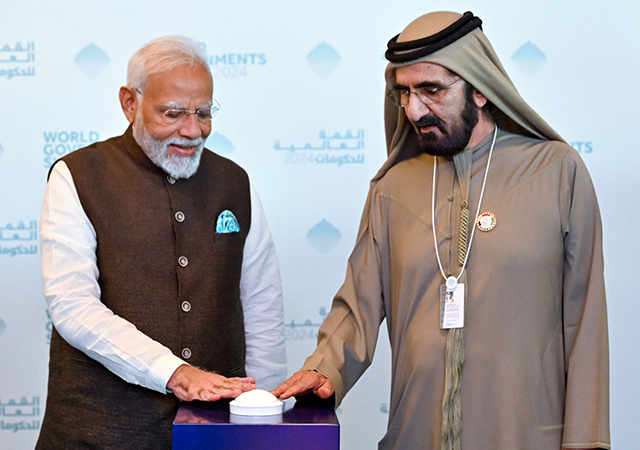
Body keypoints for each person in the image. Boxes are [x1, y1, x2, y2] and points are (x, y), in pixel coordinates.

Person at [273, 11, 609, 450]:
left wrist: (585, 442)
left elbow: (585, 321)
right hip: (415, 437)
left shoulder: (556, 172)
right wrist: (323, 368)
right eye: (404, 93)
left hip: (523, 437)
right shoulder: (393, 187)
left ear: (481, 88)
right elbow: (358, 304)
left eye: (431, 90)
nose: (415, 110)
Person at [37, 36, 286, 449]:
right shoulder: (77, 176)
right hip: (97, 433)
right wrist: (175, 373)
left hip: (212, 433)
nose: (192, 131)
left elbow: (262, 309)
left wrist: (266, 420)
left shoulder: (234, 183)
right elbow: (73, 304)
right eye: (172, 113)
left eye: (203, 113)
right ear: (129, 103)